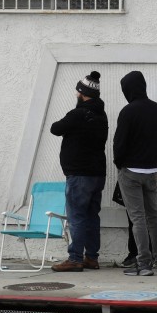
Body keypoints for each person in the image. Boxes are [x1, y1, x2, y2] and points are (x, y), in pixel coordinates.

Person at [50, 71, 108, 272]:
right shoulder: (101, 115)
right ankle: (91, 257)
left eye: (77, 91)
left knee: (76, 216)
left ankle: (75, 258)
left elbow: (55, 128)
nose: (76, 94)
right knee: (92, 216)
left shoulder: (78, 114)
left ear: (82, 93)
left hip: (79, 175)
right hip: (97, 174)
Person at [113, 70, 157, 276]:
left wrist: (120, 165)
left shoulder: (128, 111)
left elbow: (119, 143)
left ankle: (143, 263)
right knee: (154, 217)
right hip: (152, 172)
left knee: (137, 218)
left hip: (131, 171)